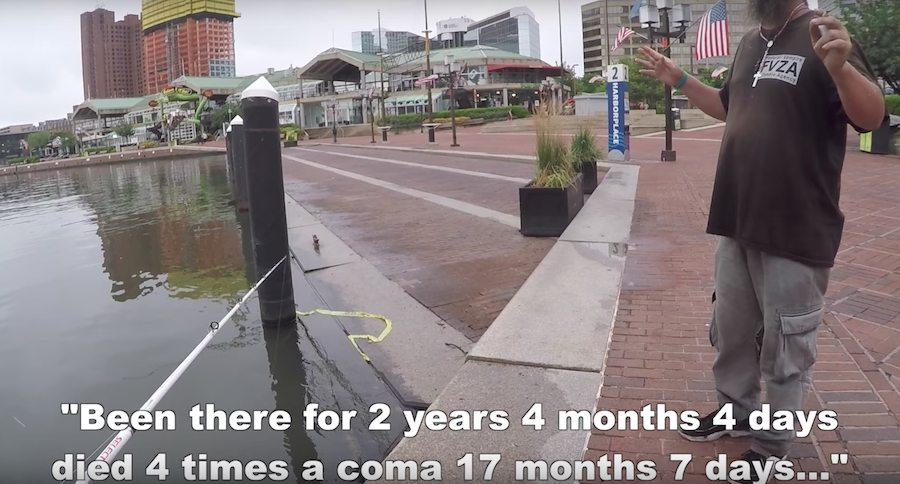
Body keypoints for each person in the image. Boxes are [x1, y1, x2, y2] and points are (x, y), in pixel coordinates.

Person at [637, 1, 884, 483]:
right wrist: (680, 80)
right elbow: (728, 107)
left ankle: (772, 445)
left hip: (796, 224)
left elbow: (871, 117)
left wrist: (842, 71)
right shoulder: (751, 43)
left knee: (786, 345)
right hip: (736, 217)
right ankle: (734, 413)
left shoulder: (823, 34)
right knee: (730, 332)